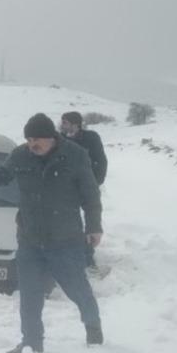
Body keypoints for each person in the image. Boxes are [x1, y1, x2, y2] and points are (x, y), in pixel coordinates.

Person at [0, 113, 104, 353]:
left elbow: (90, 195)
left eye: (37, 139)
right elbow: (3, 176)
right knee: (30, 293)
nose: (32, 144)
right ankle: (31, 342)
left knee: (77, 288)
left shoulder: (75, 156)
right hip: (30, 238)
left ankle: (92, 326)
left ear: (51, 138)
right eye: (28, 139)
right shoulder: (21, 155)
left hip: (65, 239)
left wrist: (94, 226)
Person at [60, 111, 107, 267]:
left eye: (65, 122)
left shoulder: (91, 138)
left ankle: (87, 257)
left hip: (87, 187)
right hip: (66, 189)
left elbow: (101, 162)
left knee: (91, 222)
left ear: (76, 124)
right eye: (62, 122)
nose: (63, 125)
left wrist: (94, 183)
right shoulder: (60, 140)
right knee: (70, 222)